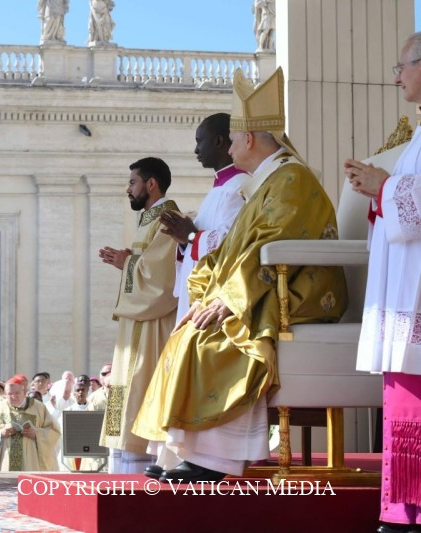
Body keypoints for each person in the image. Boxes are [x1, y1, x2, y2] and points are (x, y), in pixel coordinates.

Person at [132, 67, 348, 482]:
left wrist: (228, 298)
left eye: (231, 140)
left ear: (248, 139)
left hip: (295, 292)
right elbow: (239, 248)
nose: (228, 150)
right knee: (193, 328)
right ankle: (194, 451)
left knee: (213, 335)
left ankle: (217, 459)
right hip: (267, 285)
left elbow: (273, 243)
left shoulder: (291, 179)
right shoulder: (270, 181)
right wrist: (209, 285)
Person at [345, 31, 421, 533]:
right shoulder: (417, 138)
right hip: (404, 289)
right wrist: (380, 193)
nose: (396, 78)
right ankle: (402, 509)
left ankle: (409, 511)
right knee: (402, 394)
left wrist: (385, 186)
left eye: (402, 67)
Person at [97, 157, 179, 474]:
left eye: (132, 182)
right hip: (136, 321)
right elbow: (147, 265)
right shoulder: (149, 219)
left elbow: (162, 279)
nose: (127, 189)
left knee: (142, 386)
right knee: (124, 387)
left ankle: (142, 471)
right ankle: (122, 469)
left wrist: (127, 263)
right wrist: (129, 260)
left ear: (151, 184)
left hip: (153, 323)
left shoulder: (169, 219)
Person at [160, 113, 248, 324]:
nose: (196, 150)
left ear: (218, 141)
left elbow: (235, 243)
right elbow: (199, 238)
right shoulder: (221, 187)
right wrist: (184, 241)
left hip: (215, 297)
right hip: (198, 288)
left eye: (200, 141)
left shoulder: (240, 186)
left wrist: (191, 236)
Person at [0, 376, 60, 471]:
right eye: (10, 394)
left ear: (25, 392)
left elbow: (53, 431)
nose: (13, 397)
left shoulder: (39, 407)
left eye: (17, 393)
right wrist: (0, 434)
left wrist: (36, 434)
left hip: (31, 463)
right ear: (5, 394)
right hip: (4, 463)